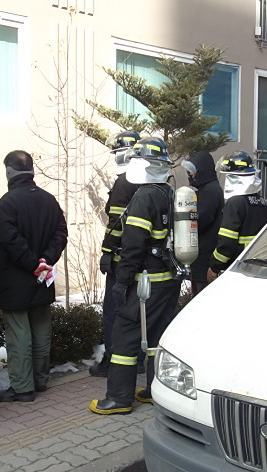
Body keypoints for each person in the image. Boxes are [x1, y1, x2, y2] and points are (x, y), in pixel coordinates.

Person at [89, 137, 182, 415]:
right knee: (157, 335)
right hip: (167, 279)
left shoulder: (144, 197)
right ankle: (154, 390)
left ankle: (118, 398)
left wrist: (122, 281)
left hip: (145, 283)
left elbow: (133, 246)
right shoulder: (169, 192)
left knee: (125, 336)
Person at [0, 150, 68, 403]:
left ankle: (22, 387)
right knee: (41, 329)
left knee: (19, 334)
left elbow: (10, 241)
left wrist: (34, 264)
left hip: (15, 280)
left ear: (9, 172)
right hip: (43, 278)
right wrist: (45, 261)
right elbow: (61, 233)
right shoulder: (49, 200)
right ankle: (40, 380)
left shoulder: (7, 203)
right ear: (32, 170)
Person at [89, 131, 146, 378]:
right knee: (136, 312)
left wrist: (107, 252)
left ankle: (111, 361)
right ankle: (138, 359)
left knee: (113, 312)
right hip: (141, 260)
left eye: (117, 152)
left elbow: (116, 224)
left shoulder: (125, 182)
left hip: (121, 260)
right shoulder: (147, 180)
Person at [208, 151, 267, 283]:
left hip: (238, 267)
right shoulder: (261, 201)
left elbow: (227, 243)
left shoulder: (235, 203)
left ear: (233, 178)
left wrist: (214, 266)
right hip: (258, 266)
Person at [181, 151, 224, 295]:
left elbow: (201, 220)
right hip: (203, 254)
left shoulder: (210, 191)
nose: (190, 176)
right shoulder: (208, 189)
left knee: (200, 294)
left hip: (204, 255)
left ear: (201, 170)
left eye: (192, 172)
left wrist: (184, 225)